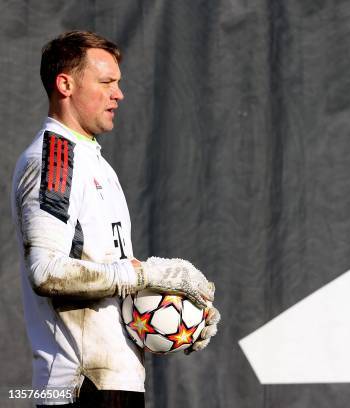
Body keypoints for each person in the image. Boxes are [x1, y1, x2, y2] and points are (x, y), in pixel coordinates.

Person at [10, 30, 220, 408]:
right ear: (65, 84)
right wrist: (147, 275)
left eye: (118, 83)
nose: (118, 94)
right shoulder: (55, 158)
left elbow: (104, 274)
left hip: (111, 383)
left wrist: (174, 314)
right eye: (106, 82)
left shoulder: (93, 160)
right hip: (80, 387)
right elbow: (46, 271)